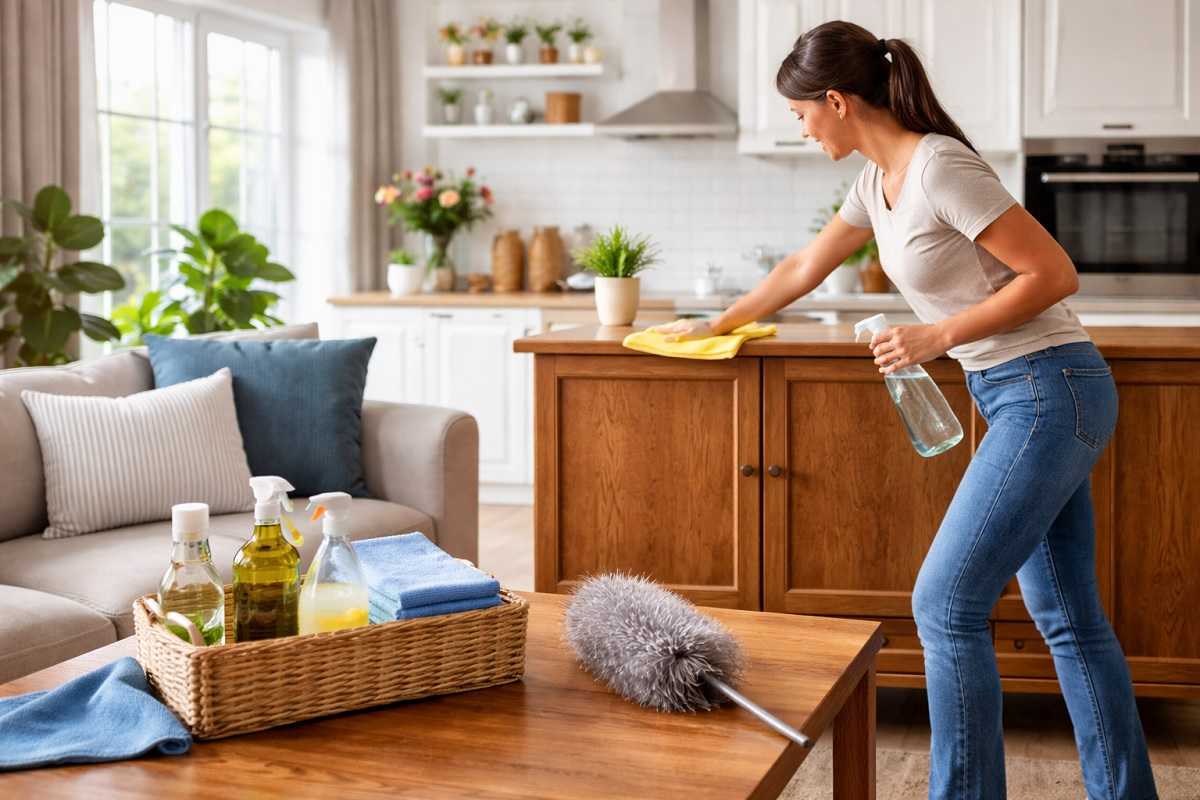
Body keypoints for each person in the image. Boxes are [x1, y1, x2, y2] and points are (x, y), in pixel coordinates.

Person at [652, 20, 1158, 800]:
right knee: (1066, 615)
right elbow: (806, 264)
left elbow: (1055, 273)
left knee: (946, 603)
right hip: (1018, 393)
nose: (802, 127)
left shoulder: (940, 167)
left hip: (1049, 388)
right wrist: (715, 323)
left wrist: (938, 335)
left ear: (836, 101)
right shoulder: (874, 180)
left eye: (801, 113)